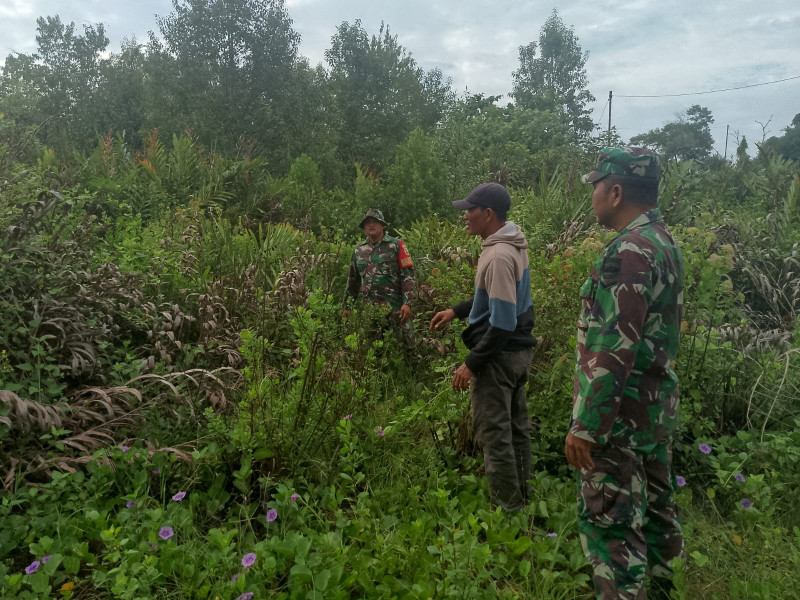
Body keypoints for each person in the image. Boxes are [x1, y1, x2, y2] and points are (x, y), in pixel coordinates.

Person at [564, 147, 685, 599]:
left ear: (616, 193)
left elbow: (613, 348)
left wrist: (588, 426)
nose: (591, 193)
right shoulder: (662, 241)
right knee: (656, 516)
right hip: (652, 414)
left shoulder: (629, 253)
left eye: (596, 185)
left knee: (612, 530)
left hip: (619, 425)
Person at [430, 183, 536, 511]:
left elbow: (502, 322)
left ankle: (509, 513)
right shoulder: (511, 244)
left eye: (470, 210)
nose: (465, 216)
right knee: (517, 430)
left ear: (487, 214)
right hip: (518, 354)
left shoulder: (499, 255)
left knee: (496, 436)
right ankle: (525, 498)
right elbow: (494, 301)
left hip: (499, 358)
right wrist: (458, 311)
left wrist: (471, 363)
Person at [343, 208, 415, 345]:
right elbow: (353, 281)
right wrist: (347, 306)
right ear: (364, 227)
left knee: (407, 351)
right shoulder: (358, 250)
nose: (371, 225)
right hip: (370, 313)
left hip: (395, 310)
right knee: (373, 352)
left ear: (382, 225)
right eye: (368, 222)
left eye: (375, 221)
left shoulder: (396, 245)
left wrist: (407, 303)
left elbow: (408, 276)